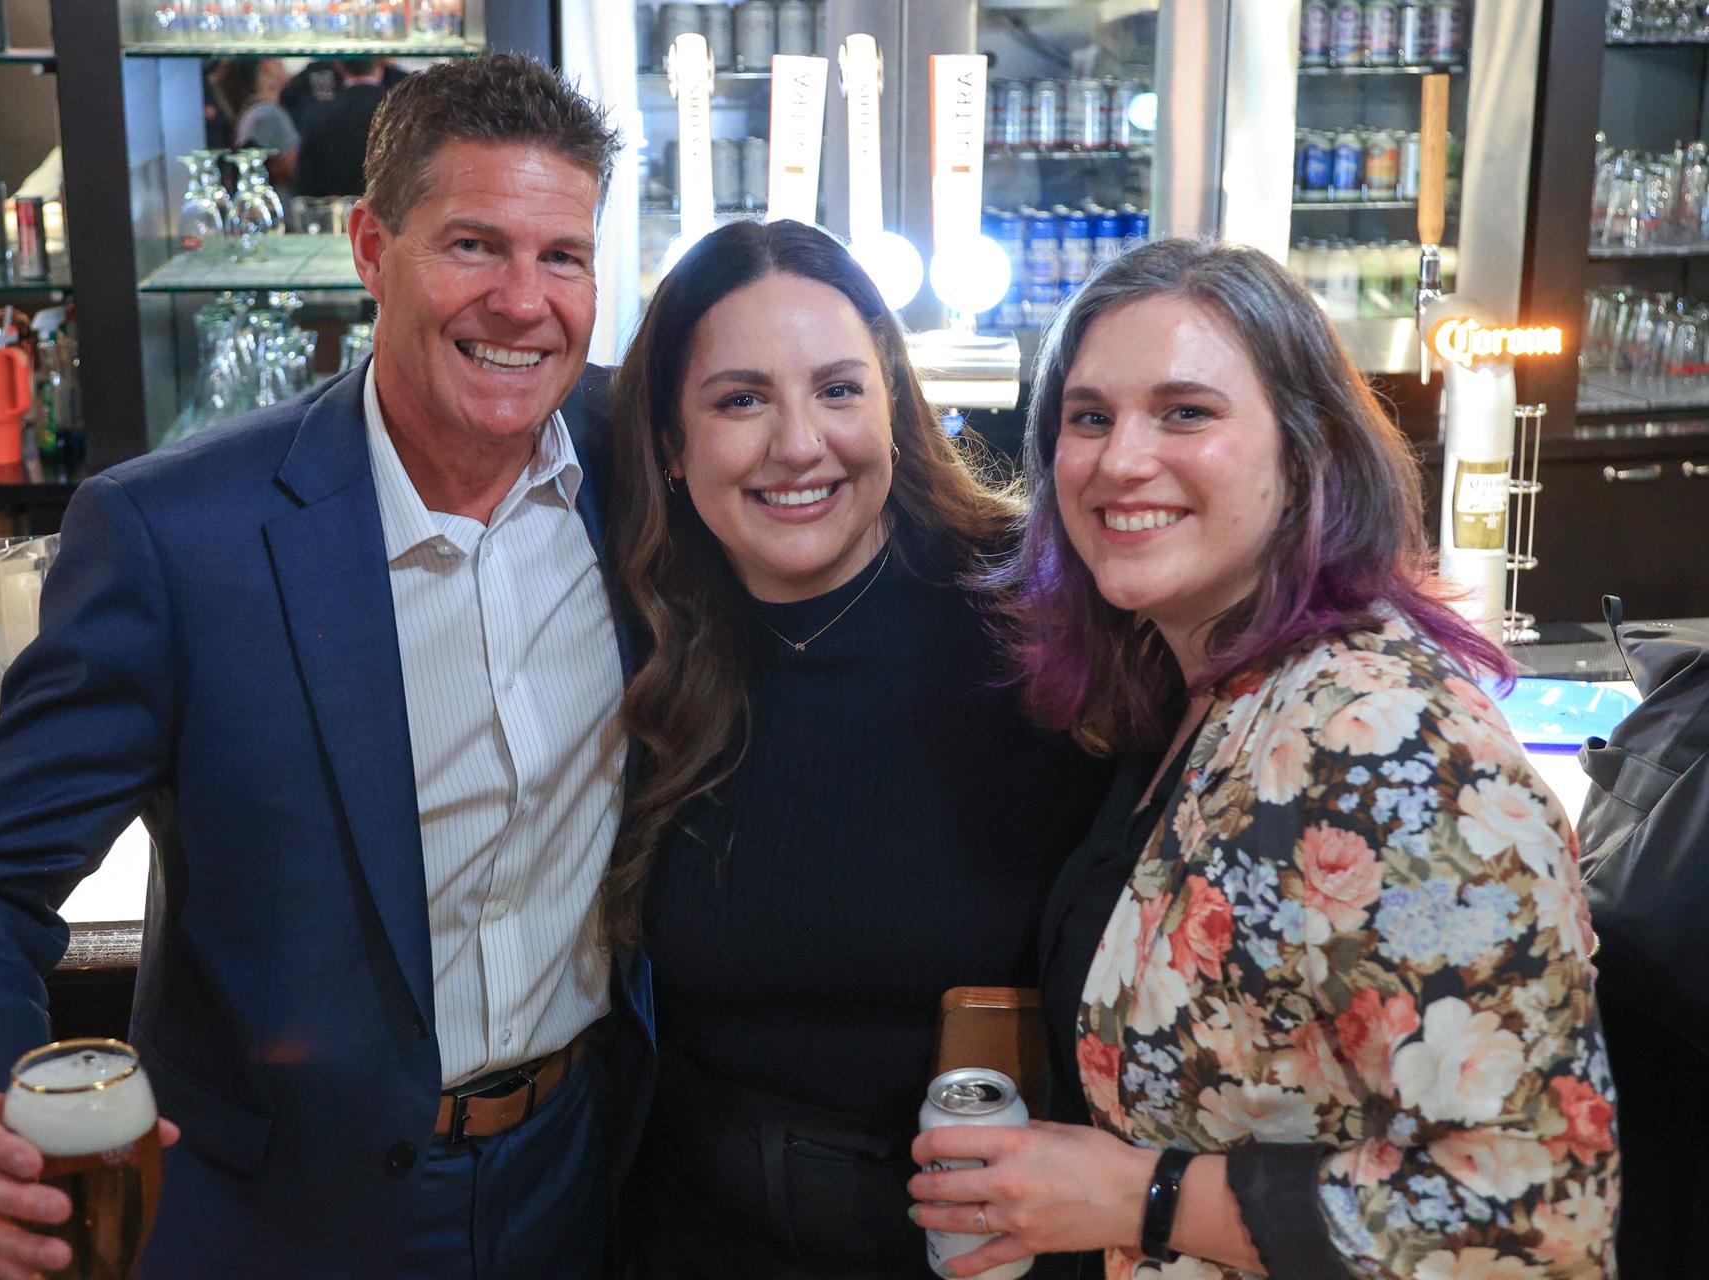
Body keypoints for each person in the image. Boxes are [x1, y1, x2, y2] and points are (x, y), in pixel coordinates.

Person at [0, 53, 651, 1280]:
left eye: (564, 257)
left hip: (578, 1175)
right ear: (368, 247)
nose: (522, 301)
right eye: (473, 246)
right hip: (278, 1217)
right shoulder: (180, 537)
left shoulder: (639, 462)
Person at [910, 239, 1620, 1279]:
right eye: (1090, 416)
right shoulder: (1202, 694)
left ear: (1306, 449)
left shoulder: (1391, 747)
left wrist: (1142, 1196)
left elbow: (1527, 1214)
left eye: (1186, 411)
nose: (1119, 459)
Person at [604, 218, 1108, 1276]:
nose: (798, 443)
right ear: (669, 443)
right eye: (741, 399)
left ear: (894, 402)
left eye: (838, 389)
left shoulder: (1046, 629)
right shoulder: (633, 637)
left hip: (980, 1251)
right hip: (694, 1241)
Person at [296, 58, 392, 198]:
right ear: (380, 63)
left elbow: (306, 182)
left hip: (334, 213)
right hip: (391, 212)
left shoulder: (319, 115)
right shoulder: (402, 111)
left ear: (338, 65)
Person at [217, 57, 300, 190]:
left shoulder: (254, 109)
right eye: (278, 59)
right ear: (266, 65)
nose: (282, 64)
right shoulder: (268, 113)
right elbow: (296, 168)